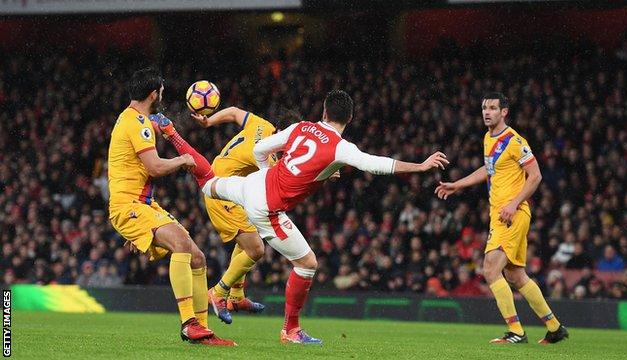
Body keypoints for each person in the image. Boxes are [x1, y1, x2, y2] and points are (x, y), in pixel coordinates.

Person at [154, 90, 448, 344]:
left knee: (207, 182)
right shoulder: (339, 147)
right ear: (349, 119)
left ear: (323, 110)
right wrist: (420, 167)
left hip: (250, 185)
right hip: (266, 208)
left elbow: (260, 149)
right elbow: (376, 165)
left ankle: (171, 133)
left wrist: (267, 172)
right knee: (307, 264)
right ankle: (290, 330)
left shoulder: (301, 127)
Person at [107, 67, 234, 346]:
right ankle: (189, 324)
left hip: (142, 205)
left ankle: (202, 330)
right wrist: (182, 160)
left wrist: (166, 130)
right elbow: (154, 166)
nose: (162, 95)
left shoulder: (131, 119)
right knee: (179, 243)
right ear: (154, 93)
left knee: (197, 257)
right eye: (161, 91)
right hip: (130, 205)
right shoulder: (137, 123)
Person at [435, 92, 568, 344]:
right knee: (516, 276)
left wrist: (514, 203)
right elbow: (489, 168)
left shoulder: (515, 141)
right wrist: (458, 185)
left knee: (490, 268)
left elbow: (536, 176)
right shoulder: (489, 138)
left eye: (493, 108)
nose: (487, 112)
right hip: (501, 213)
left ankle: (516, 331)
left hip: (511, 214)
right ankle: (554, 327)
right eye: (485, 107)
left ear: (504, 112)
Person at [156, 106, 297, 324]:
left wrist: (208, 122)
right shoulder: (266, 156)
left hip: (229, 186)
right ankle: (219, 292)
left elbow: (233, 112)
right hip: (221, 191)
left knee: (249, 237)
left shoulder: (262, 125)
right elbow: (279, 186)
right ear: (280, 134)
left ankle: (237, 296)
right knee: (257, 249)